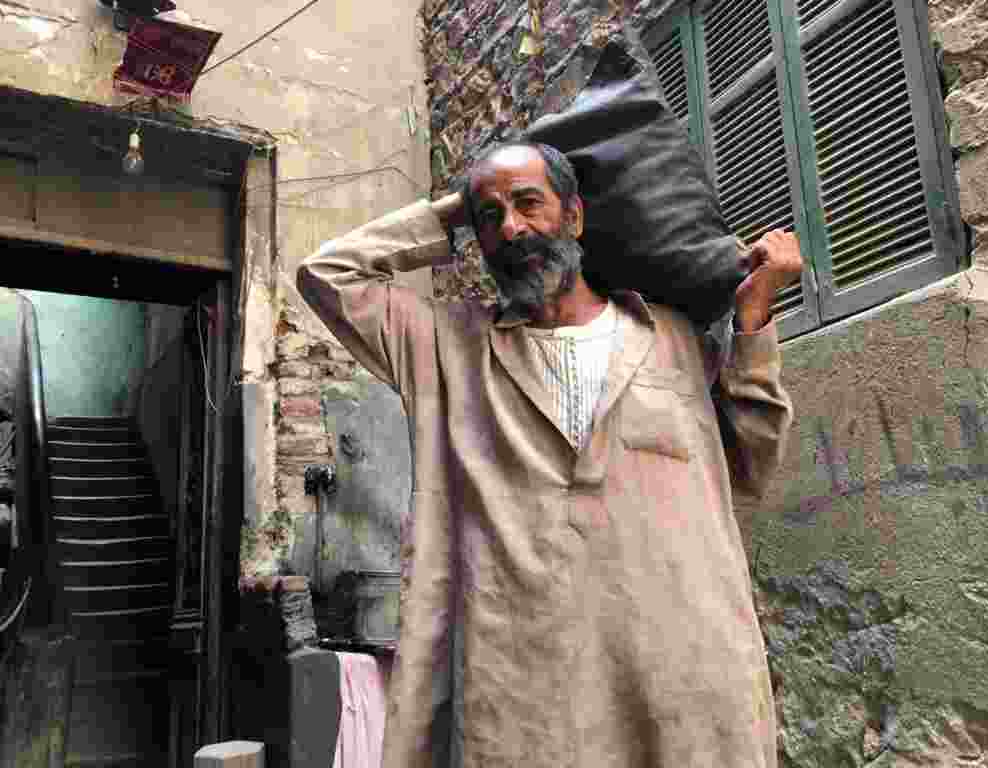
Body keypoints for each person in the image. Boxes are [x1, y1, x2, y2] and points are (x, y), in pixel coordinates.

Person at [297, 141, 802, 768]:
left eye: (529, 203)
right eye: (490, 217)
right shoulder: (447, 347)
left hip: (684, 691)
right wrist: (454, 212)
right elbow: (326, 274)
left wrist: (753, 320)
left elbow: (752, 467)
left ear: (576, 217)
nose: (511, 228)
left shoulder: (672, 339)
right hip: (523, 701)